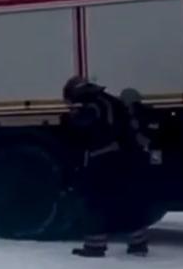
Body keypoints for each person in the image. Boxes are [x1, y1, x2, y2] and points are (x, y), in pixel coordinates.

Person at [62, 76, 154, 258]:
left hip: (103, 159)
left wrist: (70, 119)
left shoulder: (91, 105)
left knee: (94, 202)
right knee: (126, 201)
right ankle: (138, 244)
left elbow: (83, 127)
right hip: (122, 159)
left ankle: (94, 246)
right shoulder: (108, 100)